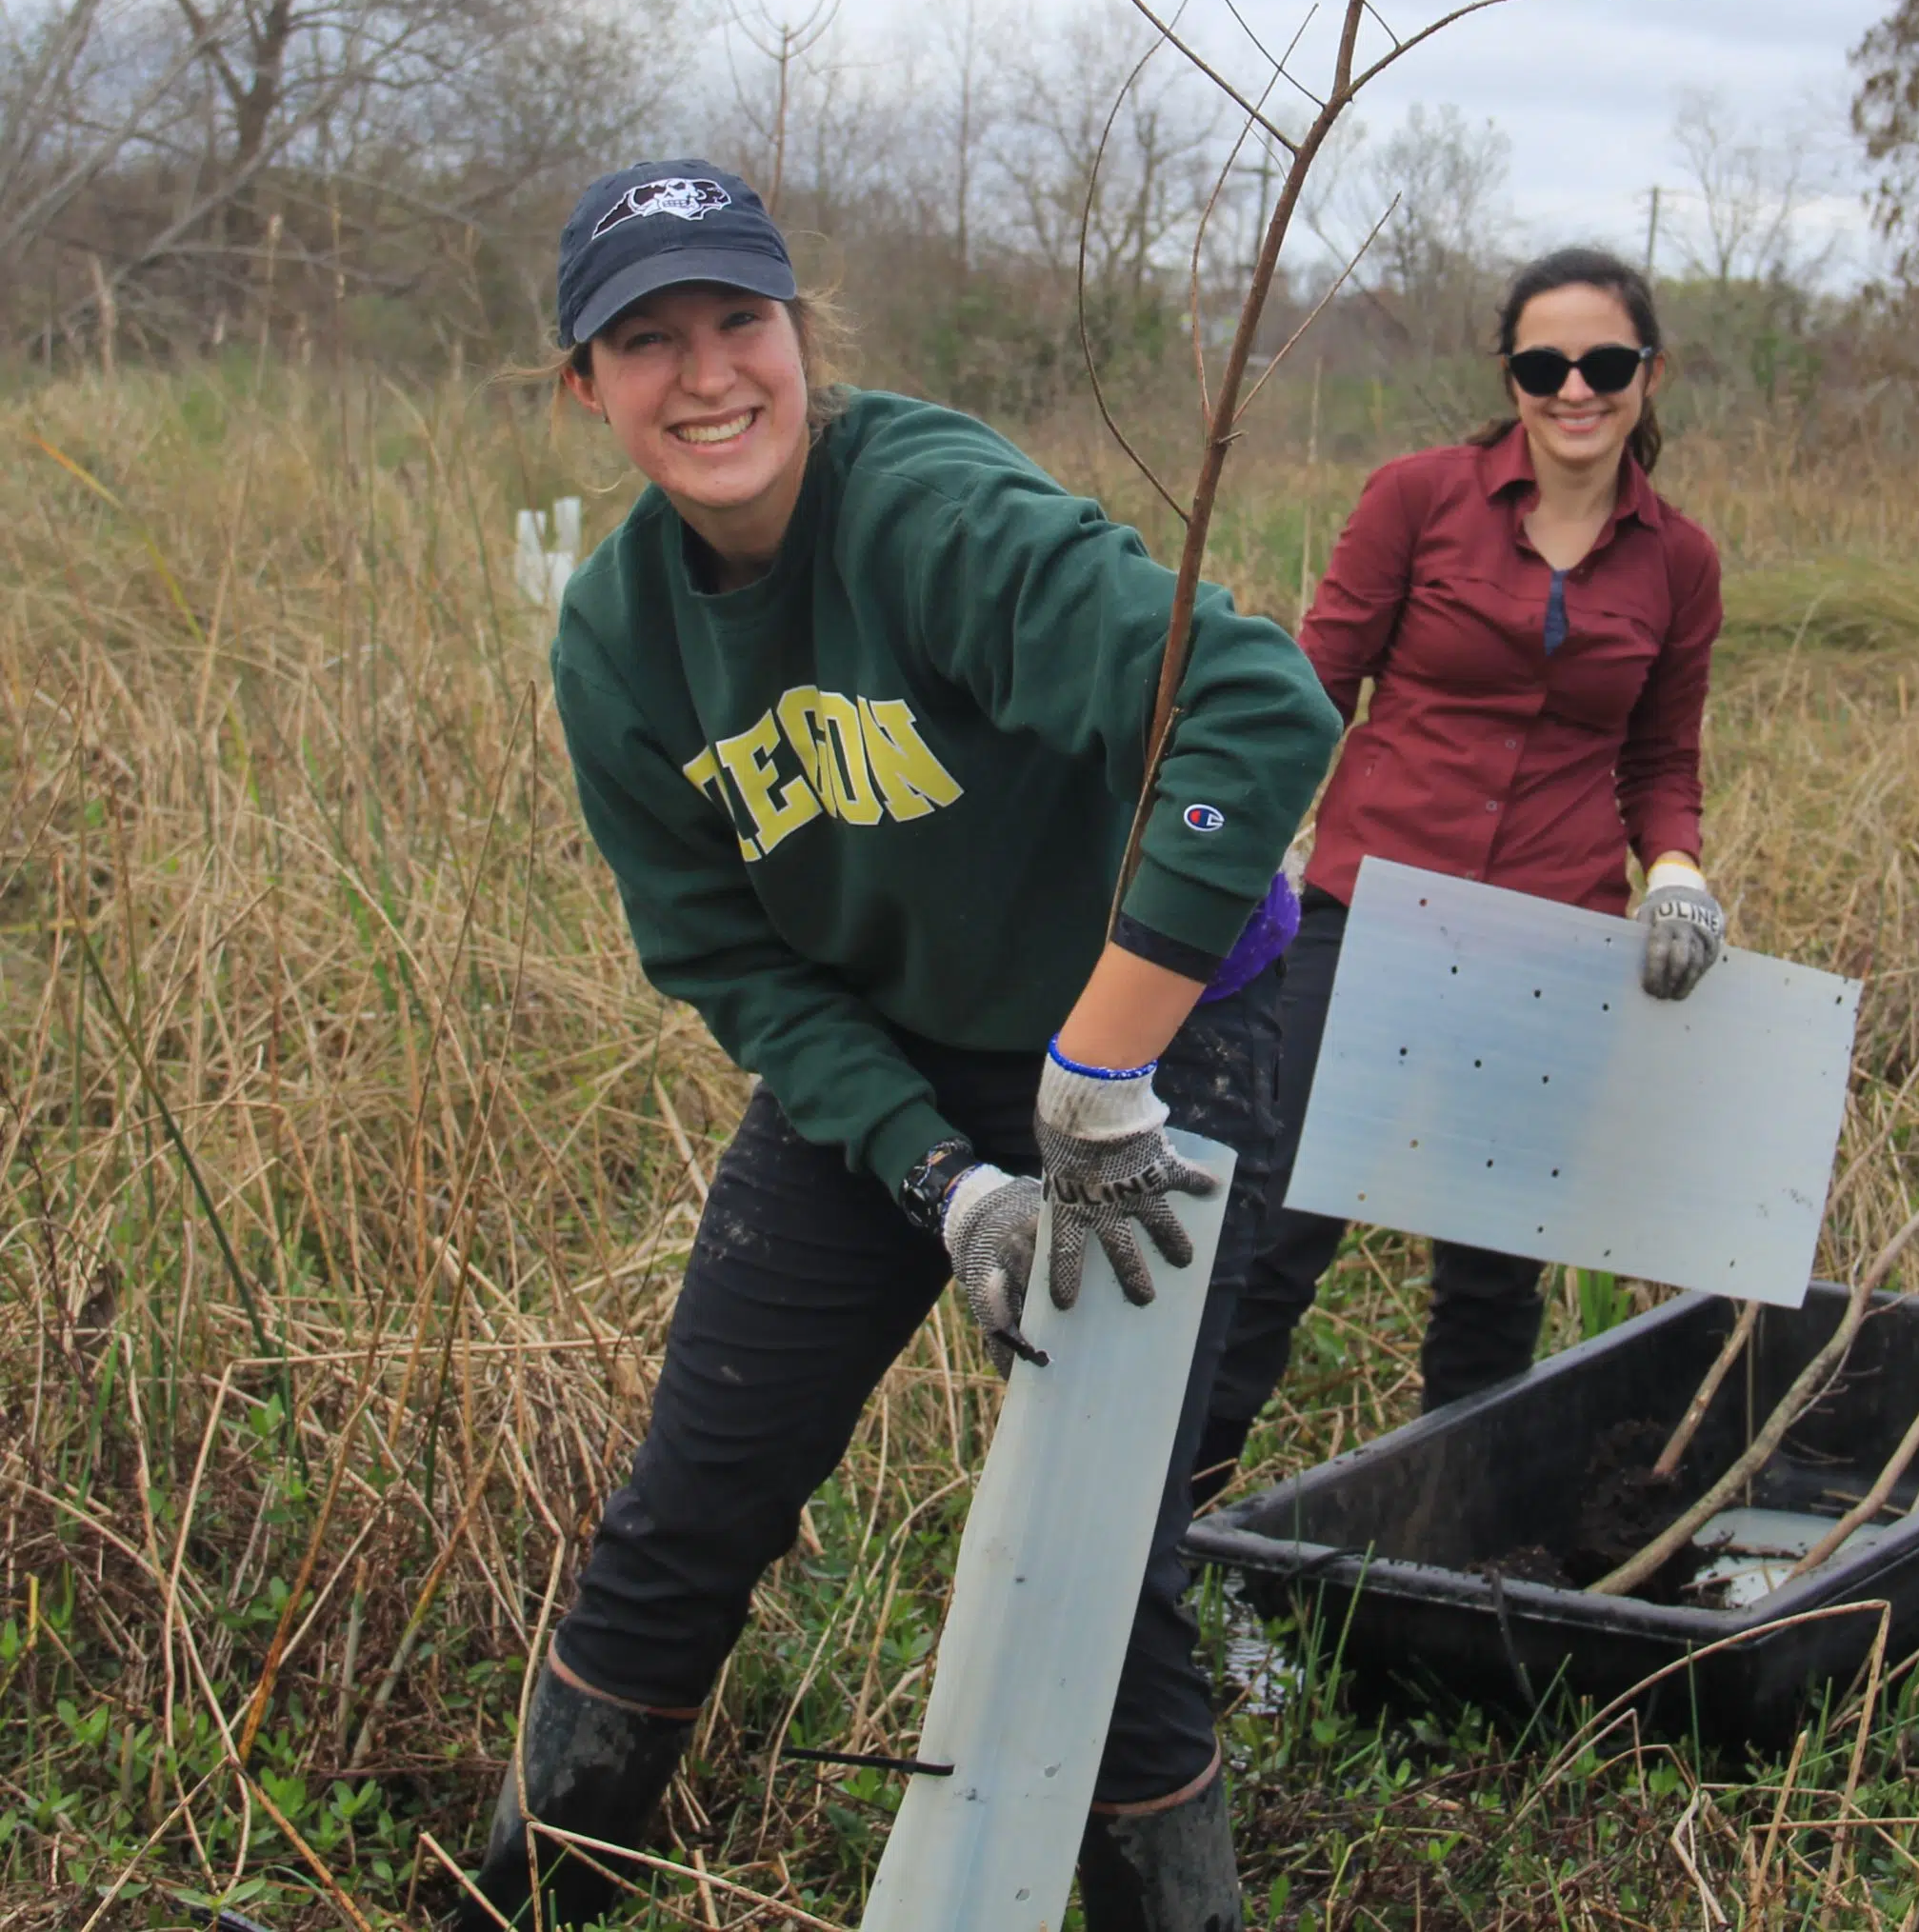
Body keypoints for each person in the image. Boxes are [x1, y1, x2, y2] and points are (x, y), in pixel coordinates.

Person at [461, 159, 1338, 1932]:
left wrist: (1094, 1083)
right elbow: (729, 961)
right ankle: (521, 1900)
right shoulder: (619, 641)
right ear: (586, 385)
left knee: (1101, 1561)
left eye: (738, 322)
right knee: (687, 1506)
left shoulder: (925, 512)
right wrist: (940, 1178)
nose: (707, 376)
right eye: (648, 341)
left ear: (801, 334)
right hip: (903, 1051)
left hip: (1168, 1025)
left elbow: (1258, 707)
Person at [1193, 247, 1727, 1501]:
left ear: (1649, 375)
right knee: (1277, 1231)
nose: (1576, 389)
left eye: (1605, 363)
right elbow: (1313, 680)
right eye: (1547, 366)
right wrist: (1244, 834)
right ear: (1512, 377)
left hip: (1553, 940)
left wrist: (1679, 874)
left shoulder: (1678, 563)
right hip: (1368, 911)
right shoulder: (1419, 499)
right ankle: (1171, 1534)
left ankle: (1463, 1543)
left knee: (1493, 1267)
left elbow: (1661, 758)